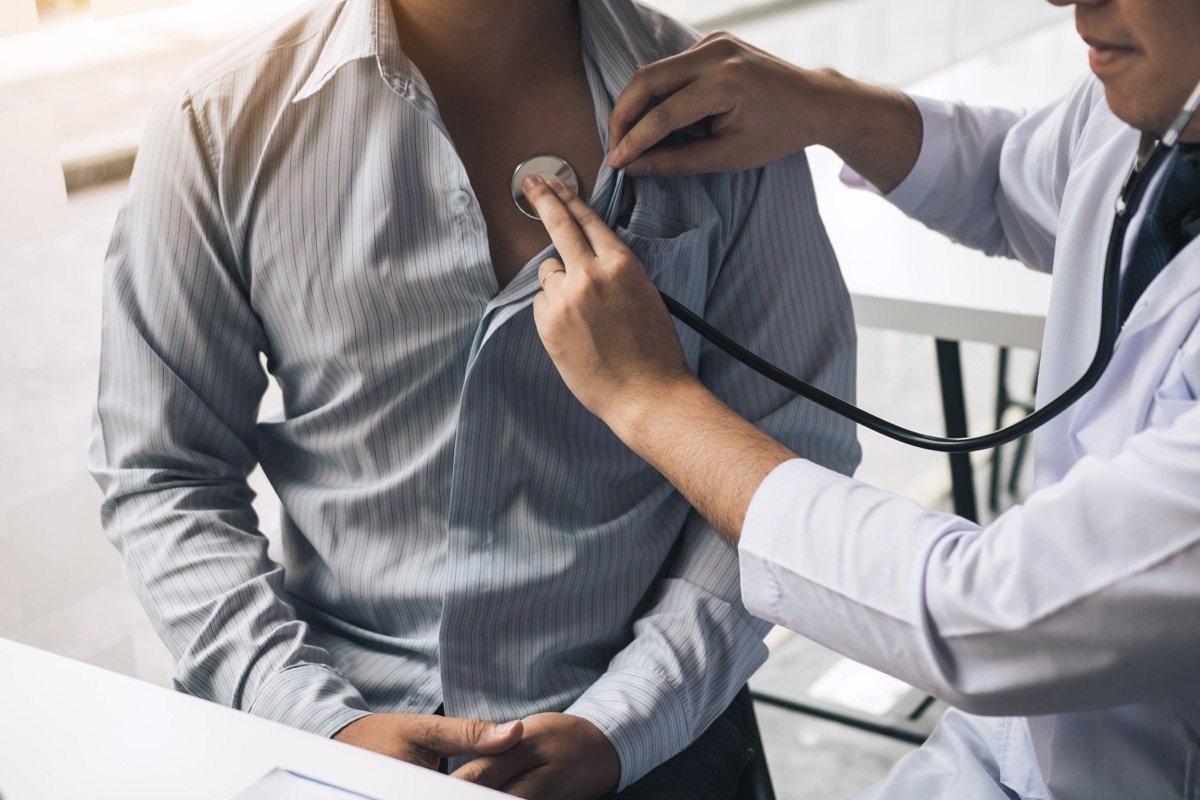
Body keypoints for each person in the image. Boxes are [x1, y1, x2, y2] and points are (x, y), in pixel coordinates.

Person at [86, 0, 861, 797]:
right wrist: (316, 721)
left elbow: (795, 448)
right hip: (330, 731)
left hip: (660, 743)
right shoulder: (219, 123)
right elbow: (162, 473)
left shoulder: (726, 110)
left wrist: (628, 719)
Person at [520, 0, 1200, 796]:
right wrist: (824, 105)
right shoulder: (1155, 105)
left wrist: (649, 399)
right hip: (1010, 756)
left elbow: (987, 618)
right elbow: (1019, 175)